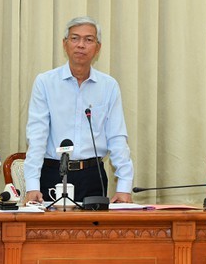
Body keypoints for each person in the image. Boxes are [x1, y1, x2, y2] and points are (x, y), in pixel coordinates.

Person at [23, 16, 134, 205]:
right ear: (65, 44)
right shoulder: (45, 83)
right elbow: (37, 136)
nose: (81, 45)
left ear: (98, 48)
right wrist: (32, 185)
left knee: (93, 233)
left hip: (93, 176)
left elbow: (117, 137)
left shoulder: (109, 86)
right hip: (52, 175)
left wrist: (124, 186)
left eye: (88, 40)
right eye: (75, 38)